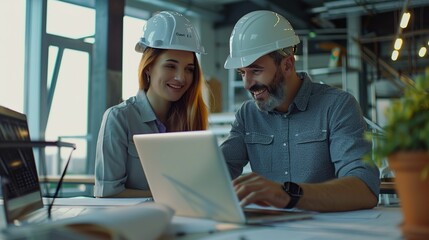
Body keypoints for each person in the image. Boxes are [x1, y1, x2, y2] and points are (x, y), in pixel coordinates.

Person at [221, 10, 380, 212]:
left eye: (256, 70)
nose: (246, 84)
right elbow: (218, 172)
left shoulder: (337, 106)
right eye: (242, 73)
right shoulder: (247, 115)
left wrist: (287, 194)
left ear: (287, 65)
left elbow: (364, 189)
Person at [94, 11, 209, 198]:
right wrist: (169, 196)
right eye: (170, 66)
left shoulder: (191, 117)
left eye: (189, 69)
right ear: (148, 68)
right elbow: (108, 192)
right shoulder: (119, 118)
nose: (181, 78)